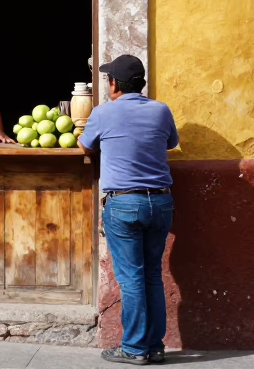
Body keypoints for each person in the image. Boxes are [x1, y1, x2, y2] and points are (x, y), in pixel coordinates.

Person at [80, 54, 178, 366]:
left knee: (133, 278)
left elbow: (85, 146)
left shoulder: (102, 113)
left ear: (113, 84)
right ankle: (154, 345)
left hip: (124, 204)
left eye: (107, 79)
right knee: (152, 275)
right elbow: (170, 142)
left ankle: (135, 348)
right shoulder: (161, 110)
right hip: (160, 203)